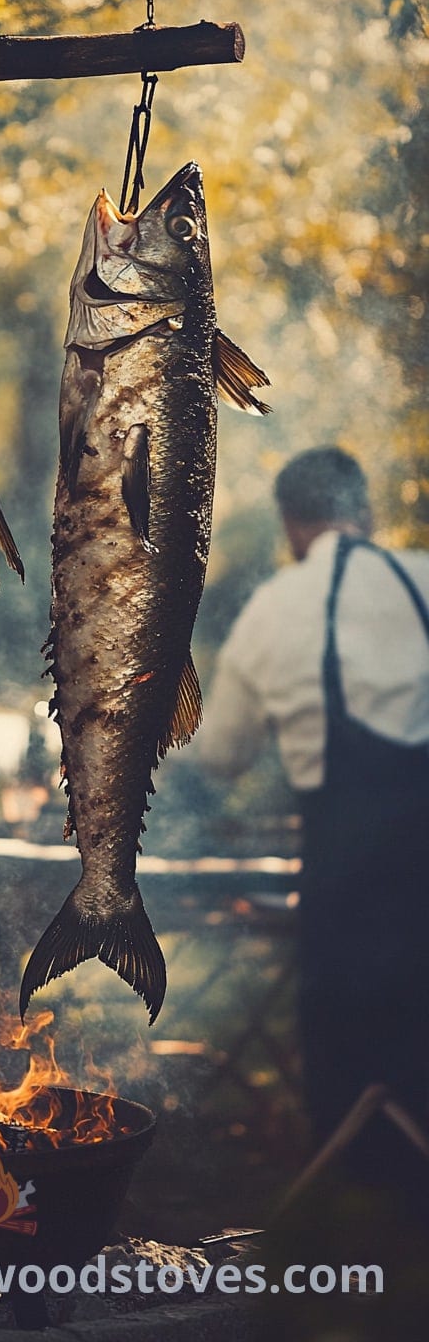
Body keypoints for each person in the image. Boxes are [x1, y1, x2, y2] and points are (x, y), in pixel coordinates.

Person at [196, 446, 429, 1175]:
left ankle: (352, 1199)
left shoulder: (276, 608)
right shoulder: (424, 579)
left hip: (348, 885)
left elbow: (221, 753)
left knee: (349, 1042)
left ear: (292, 526)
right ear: (365, 510)